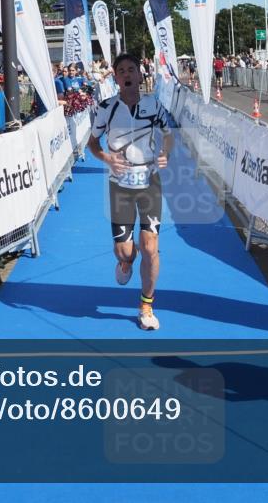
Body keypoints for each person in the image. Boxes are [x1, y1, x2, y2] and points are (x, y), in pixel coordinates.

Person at [88, 53, 173, 331]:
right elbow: (92, 143)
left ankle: (146, 305)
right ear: (116, 77)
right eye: (121, 70)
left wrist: (165, 154)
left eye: (131, 69)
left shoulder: (153, 105)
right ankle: (126, 262)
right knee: (126, 252)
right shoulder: (106, 108)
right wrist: (107, 158)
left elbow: (168, 134)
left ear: (140, 75)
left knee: (150, 247)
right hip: (120, 185)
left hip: (149, 182)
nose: (126, 74)